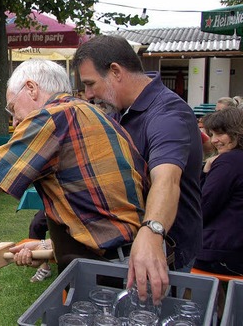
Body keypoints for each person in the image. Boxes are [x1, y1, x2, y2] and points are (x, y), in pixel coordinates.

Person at [0, 59, 148, 277]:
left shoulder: (52, 117)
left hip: (109, 268)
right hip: (130, 256)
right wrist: (47, 245)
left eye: (13, 108)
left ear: (31, 88)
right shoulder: (95, 114)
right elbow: (103, 211)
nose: (15, 121)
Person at [74, 35, 203, 304]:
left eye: (90, 84)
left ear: (115, 72)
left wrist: (152, 231)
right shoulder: (120, 110)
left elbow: (166, 179)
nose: (87, 94)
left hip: (167, 254)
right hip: (135, 249)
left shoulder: (167, 113)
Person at [194, 108, 243, 276]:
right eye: (212, 134)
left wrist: (205, 172)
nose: (214, 140)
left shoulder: (228, 162)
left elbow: (203, 206)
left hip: (220, 251)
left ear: (236, 132)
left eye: (220, 134)